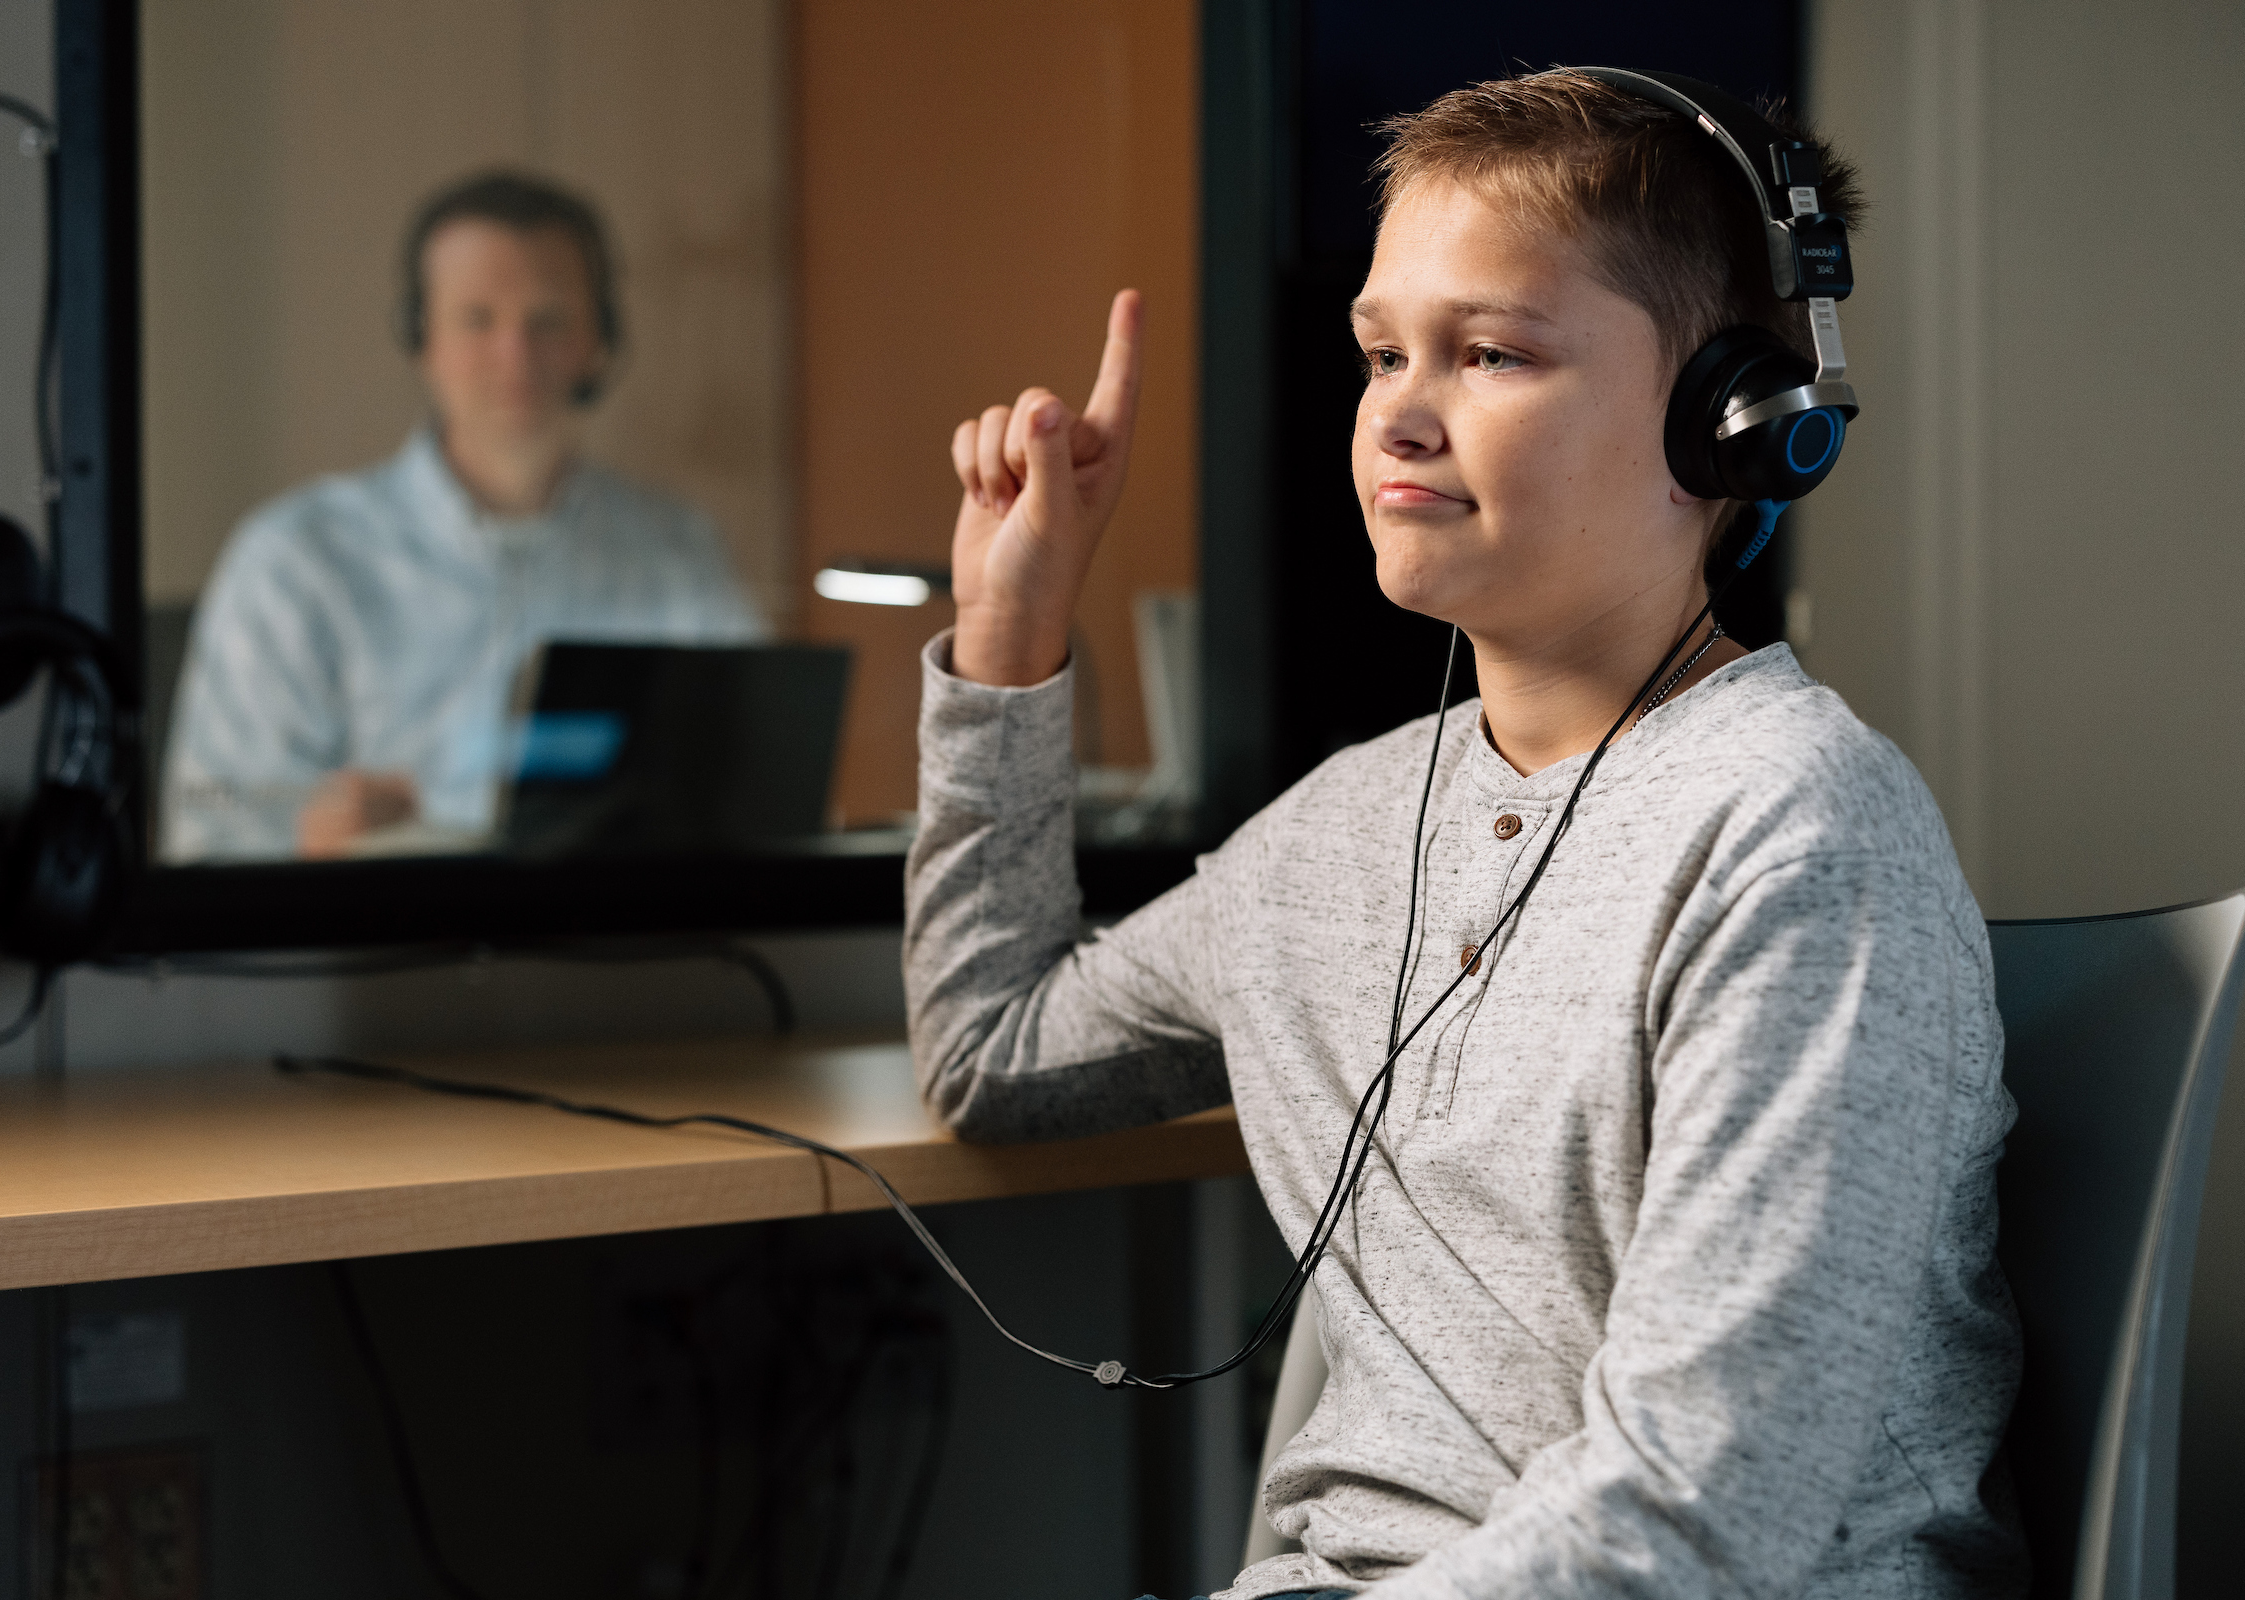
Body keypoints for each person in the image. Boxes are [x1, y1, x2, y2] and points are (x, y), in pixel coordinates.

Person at [906, 70, 2022, 1600]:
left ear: (1733, 419)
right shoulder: (1343, 833)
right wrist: (1010, 635)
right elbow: (995, 1050)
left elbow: (1704, 1524)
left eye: (1492, 352)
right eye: (1380, 353)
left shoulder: (1800, 835)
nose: (1400, 415)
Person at [161, 170, 765, 862]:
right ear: (421, 337)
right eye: (478, 319)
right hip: (382, 953)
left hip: (611, 951)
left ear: (601, 338)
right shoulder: (297, 558)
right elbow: (206, 817)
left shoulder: (677, 551)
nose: (516, 356)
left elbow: (753, 799)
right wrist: (308, 835)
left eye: (549, 321)